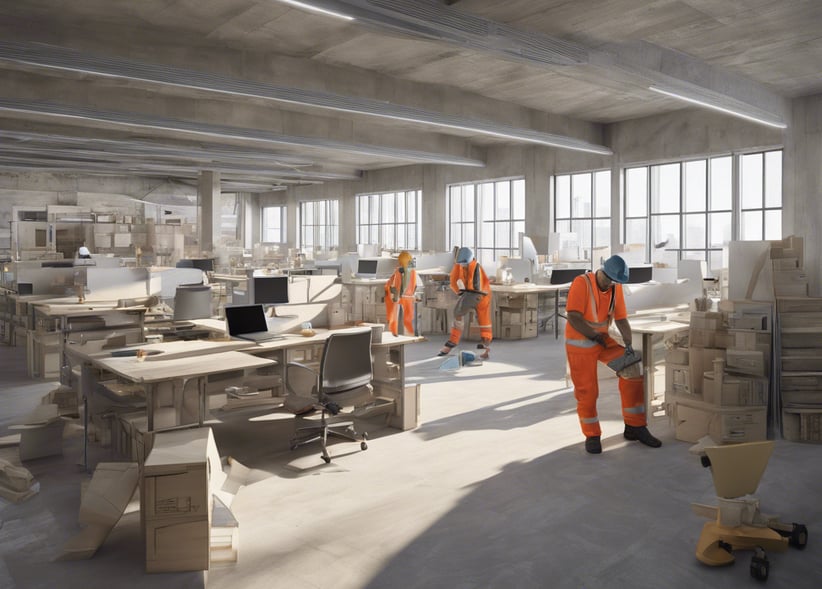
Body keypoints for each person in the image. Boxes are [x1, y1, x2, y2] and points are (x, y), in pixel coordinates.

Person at [564, 254, 661, 454]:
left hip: (602, 340)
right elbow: (573, 316)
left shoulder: (615, 288)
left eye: (615, 281)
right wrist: (592, 335)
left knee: (632, 369)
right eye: (609, 279)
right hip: (579, 344)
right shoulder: (582, 283)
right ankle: (592, 435)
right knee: (588, 392)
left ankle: (635, 427)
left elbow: (621, 318)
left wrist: (627, 342)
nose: (610, 284)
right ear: (602, 271)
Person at [438, 247, 493, 359]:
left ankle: (485, 348)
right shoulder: (459, 265)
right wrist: (459, 291)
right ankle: (453, 342)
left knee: (483, 322)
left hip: (479, 293)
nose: (463, 265)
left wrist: (462, 293)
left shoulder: (476, 267)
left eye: (464, 264)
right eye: (461, 264)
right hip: (472, 292)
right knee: (460, 313)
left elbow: (476, 288)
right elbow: (453, 280)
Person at [384, 251, 417, 336]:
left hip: (400, 298)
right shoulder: (413, 270)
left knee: (395, 317)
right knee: (408, 319)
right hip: (409, 298)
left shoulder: (399, 271)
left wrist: (392, 292)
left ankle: (395, 333)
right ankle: (409, 334)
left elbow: (396, 285)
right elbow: (415, 285)